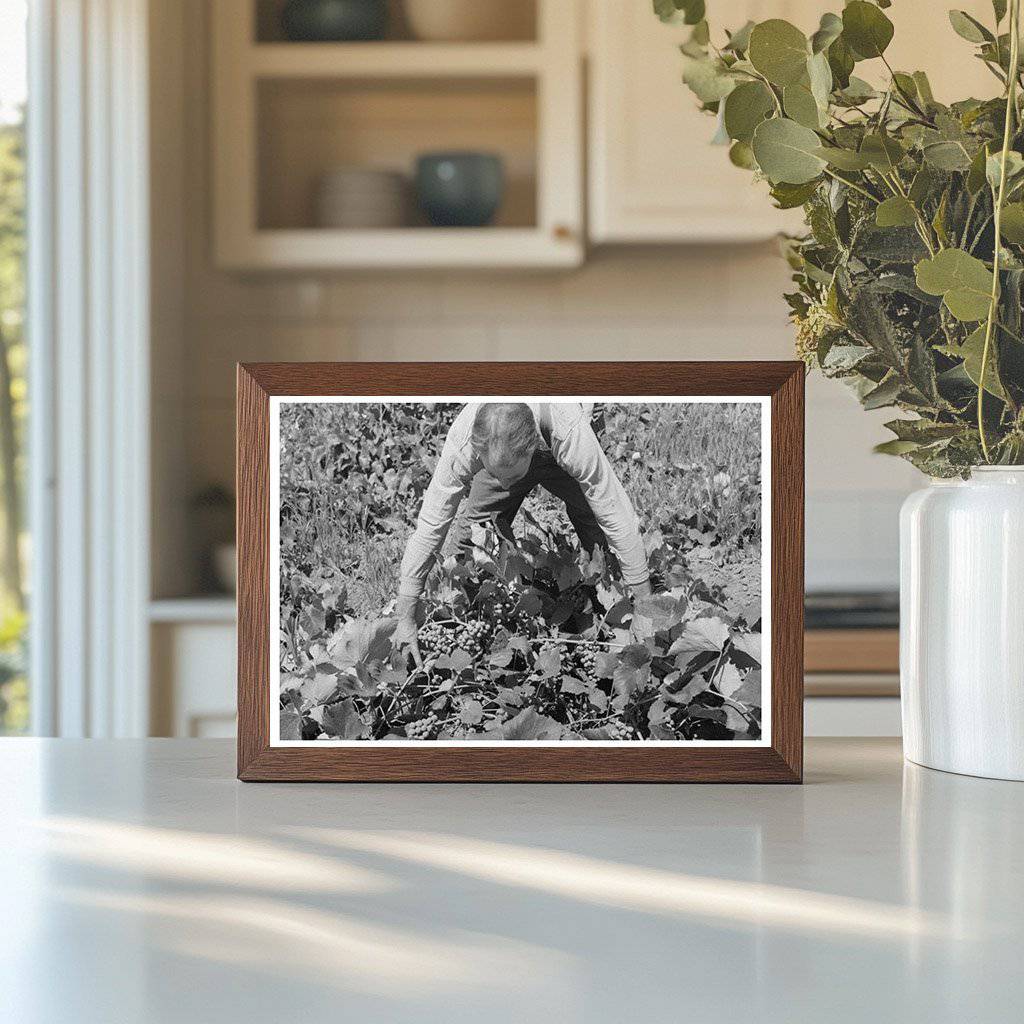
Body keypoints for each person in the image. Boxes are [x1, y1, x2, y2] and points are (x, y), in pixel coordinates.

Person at [396, 401, 651, 665]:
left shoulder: (571, 433)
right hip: (510, 453)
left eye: (511, 476)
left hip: (558, 432)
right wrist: (405, 613)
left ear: (533, 449)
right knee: (471, 542)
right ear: (478, 450)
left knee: (596, 528)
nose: (505, 485)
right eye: (496, 474)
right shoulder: (465, 439)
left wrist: (645, 603)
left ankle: (614, 618)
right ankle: (468, 633)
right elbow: (431, 523)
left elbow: (615, 513)